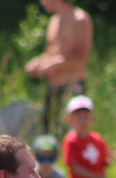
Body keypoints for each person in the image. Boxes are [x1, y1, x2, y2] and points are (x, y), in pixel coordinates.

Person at [25, 0, 93, 134]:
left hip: (72, 87)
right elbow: (50, 53)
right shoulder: (53, 21)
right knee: (49, 134)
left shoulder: (80, 20)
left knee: (72, 135)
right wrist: (37, 63)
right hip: (53, 87)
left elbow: (81, 58)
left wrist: (53, 65)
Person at [62, 95, 111, 178]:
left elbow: (104, 158)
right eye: (78, 117)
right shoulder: (71, 141)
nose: (82, 121)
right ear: (70, 119)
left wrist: (107, 161)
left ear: (92, 119)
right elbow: (74, 167)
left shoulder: (97, 139)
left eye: (86, 117)